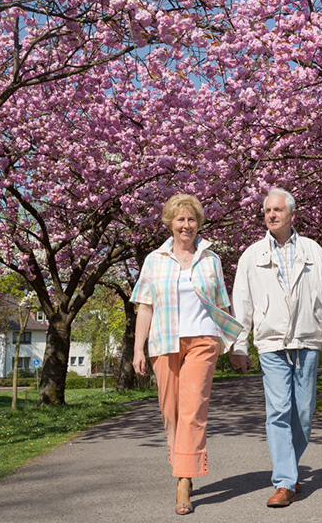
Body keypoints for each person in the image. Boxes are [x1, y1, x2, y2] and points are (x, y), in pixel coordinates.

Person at [230, 188, 322, 508]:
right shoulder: (251, 255)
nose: (271, 215)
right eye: (267, 210)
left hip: (308, 342)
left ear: (292, 214)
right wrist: (239, 345)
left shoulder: (313, 251)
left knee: (304, 414)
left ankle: (290, 468)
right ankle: (284, 481)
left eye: (277, 210)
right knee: (279, 411)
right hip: (271, 344)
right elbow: (242, 304)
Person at [131, 194, 242, 516]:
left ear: (199, 224)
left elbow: (222, 304)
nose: (186, 225)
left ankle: (183, 480)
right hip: (164, 342)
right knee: (171, 412)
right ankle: (183, 463)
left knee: (192, 411)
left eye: (192, 219)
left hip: (203, 341)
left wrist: (231, 344)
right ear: (169, 222)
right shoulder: (155, 259)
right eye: (180, 219)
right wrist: (138, 348)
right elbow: (145, 306)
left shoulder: (211, 259)